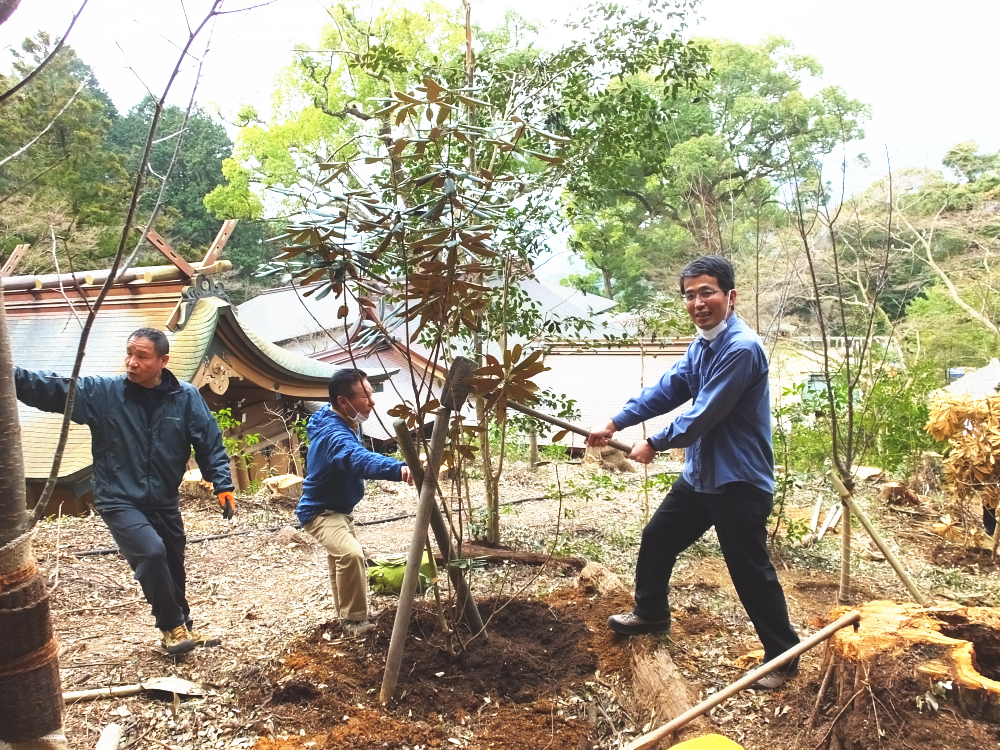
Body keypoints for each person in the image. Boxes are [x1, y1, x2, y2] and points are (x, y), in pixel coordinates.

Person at [586, 255, 800, 690]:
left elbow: (705, 414)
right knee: (658, 537)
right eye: (690, 295)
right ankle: (651, 612)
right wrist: (616, 421)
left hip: (738, 480)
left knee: (749, 571)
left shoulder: (741, 349)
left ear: (730, 297)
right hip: (702, 475)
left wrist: (655, 442)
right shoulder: (702, 345)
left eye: (707, 292)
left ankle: (784, 655)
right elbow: (670, 389)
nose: (698, 302)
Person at [14, 327, 236, 655]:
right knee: (150, 552)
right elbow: (53, 389)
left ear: (163, 361)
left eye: (142, 356)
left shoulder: (186, 397)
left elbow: (209, 442)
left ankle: (183, 627)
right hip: (118, 497)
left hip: (163, 499)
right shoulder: (104, 393)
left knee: (173, 563)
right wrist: (9, 373)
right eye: (129, 354)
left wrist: (223, 484)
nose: (131, 362)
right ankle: (170, 627)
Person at [295, 368, 414, 637]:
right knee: (350, 555)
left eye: (371, 394)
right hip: (320, 512)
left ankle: (345, 617)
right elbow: (356, 458)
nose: (372, 402)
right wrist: (399, 469)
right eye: (365, 397)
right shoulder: (333, 434)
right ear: (343, 401)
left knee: (340, 560)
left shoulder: (345, 420)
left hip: (339, 508)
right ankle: (355, 620)